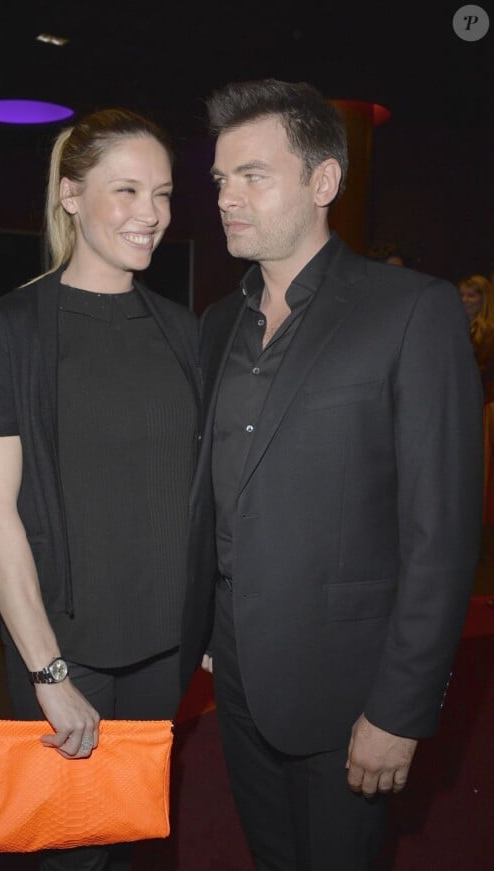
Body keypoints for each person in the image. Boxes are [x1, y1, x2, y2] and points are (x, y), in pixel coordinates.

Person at [179, 79, 484, 870]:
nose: (227, 198)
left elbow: (442, 535)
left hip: (351, 688)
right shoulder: (218, 323)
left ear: (324, 181)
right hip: (238, 679)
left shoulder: (412, 311)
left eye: (253, 175)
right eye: (219, 179)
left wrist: (399, 709)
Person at [0, 108, 201, 871]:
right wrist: (49, 672)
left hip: (166, 645)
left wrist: (211, 618)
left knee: (133, 829)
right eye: (126, 190)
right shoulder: (12, 330)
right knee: (73, 853)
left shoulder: (182, 329)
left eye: (162, 193)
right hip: (68, 649)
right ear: (71, 194)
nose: (151, 215)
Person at [458, 273, 494, 526]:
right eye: (462, 294)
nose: (466, 300)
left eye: (472, 295)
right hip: (460, 407)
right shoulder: (455, 326)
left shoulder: (489, 333)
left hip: (484, 408)